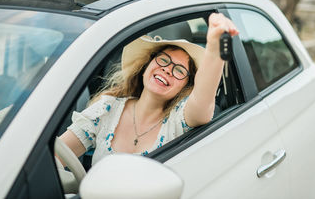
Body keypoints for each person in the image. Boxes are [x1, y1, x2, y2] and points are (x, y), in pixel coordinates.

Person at [58, 13, 239, 165]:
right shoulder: (107, 108)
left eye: (179, 70)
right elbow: (56, 158)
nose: (167, 69)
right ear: (146, 66)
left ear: (185, 86)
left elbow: (202, 98)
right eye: (163, 59)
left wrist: (215, 47)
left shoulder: (177, 121)